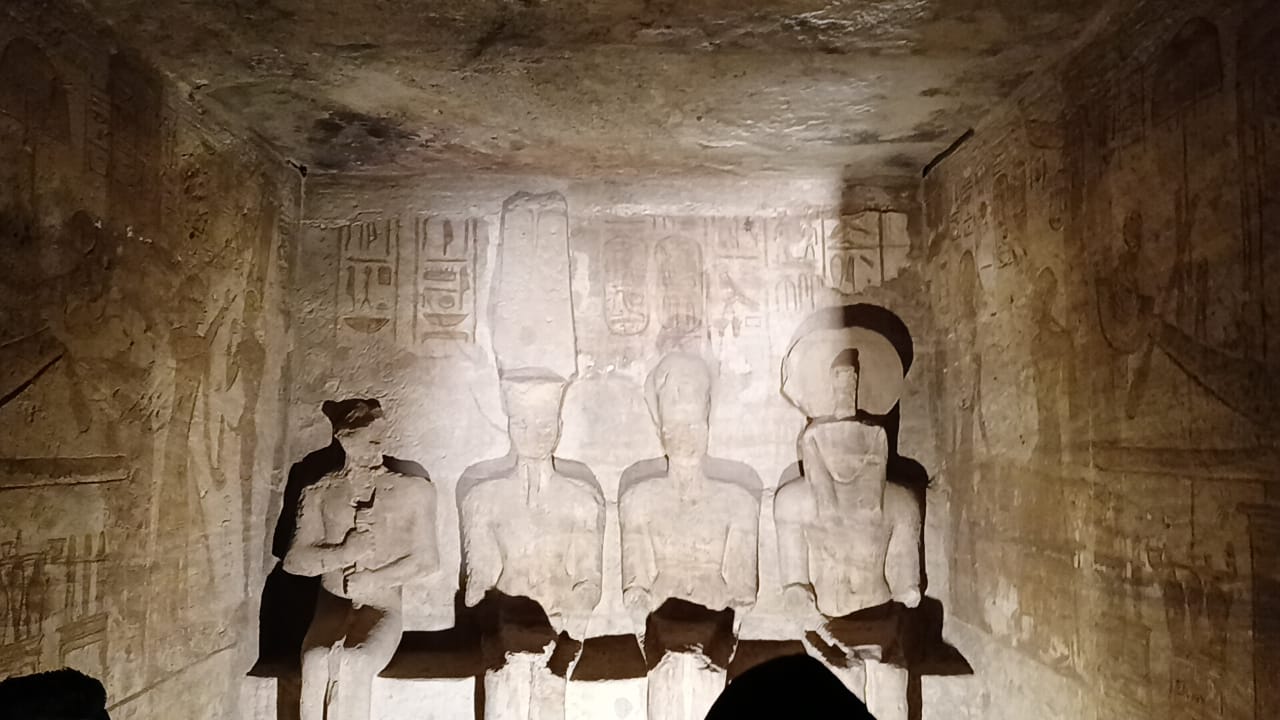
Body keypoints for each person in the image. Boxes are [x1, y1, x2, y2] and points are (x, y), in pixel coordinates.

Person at [283, 399, 439, 720]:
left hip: (381, 607)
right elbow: (295, 561)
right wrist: (343, 554)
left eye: (377, 439)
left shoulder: (412, 490)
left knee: (356, 662)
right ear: (344, 440)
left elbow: (427, 560)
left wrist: (375, 579)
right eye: (365, 440)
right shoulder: (319, 492)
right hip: (331, 608)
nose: (374, 448)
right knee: (315, 662)